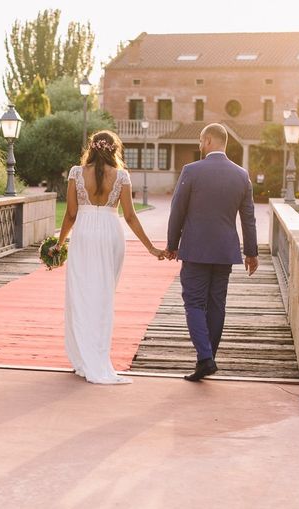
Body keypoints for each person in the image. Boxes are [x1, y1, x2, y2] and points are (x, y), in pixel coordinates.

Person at [54, 130, 165, 385]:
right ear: (114, 149)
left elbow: (70, 214)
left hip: (83, 233)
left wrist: (59, 245)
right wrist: (151, 248)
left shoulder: (75, 173)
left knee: (80, 296)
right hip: (110, 234)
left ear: (91, 148)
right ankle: (96, 356)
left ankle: (83, 358)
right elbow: (130, 216)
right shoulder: (122, 176)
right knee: (103, 297)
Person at [165, 123, 259, 382]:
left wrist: (172, 245)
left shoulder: (191, 171)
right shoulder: (241, 175)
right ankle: (207, 359)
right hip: (224, 252)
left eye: (200, 140)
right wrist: (251, 253)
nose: (198, 144)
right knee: (217, 305)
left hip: (195, 250)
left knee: (194, 303)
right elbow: (248, 218)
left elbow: (177, 212)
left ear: (208, 140)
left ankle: (205, 358)